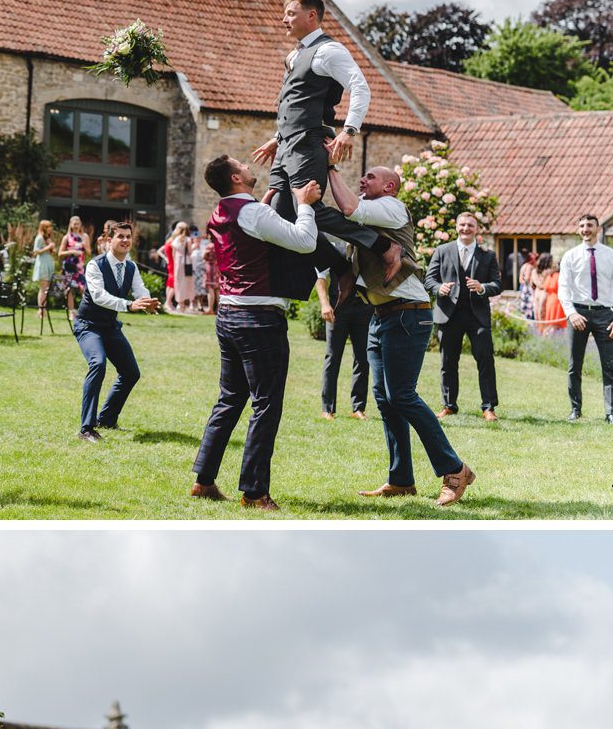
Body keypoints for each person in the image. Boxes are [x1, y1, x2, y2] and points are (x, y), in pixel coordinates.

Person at [329, 165, 475, 506]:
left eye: (370, 177)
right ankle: (401, 480)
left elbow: (349, 208)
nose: (362, 180)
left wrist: (332, 167)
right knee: (385, 399)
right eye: (361, 176)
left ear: (390, 186)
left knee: (403, 396)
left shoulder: (392, 208)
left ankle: (455, 469)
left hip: (408, 316)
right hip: (381, 317)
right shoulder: (373, 215)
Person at [189, 162, 320, 511]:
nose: (248, 165)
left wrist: (262, 202)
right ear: (235, 178)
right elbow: (305, 242)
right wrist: (305, 203)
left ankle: (203, 480)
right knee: (266, 403)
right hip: (259, 318)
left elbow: (247, 233)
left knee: (230, 398)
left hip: (229, 314)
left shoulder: (221, 211)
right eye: (242, 165)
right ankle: (254, 490)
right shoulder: (254, 213)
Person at [250, 0, 396, 298]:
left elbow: (361, 88)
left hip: (307, 143)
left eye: (291, 13)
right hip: (287, 144)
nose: (284, 20)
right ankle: (321, 275)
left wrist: (348, 130)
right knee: (279, 216)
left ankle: (383, 246)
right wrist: (277, 138)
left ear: (312, 15)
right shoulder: (293, 55)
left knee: (309, 209)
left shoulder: (329, 51)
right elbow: (297, 104)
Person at [73, 220, 160, 441]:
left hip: (110, 327)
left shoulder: (130, 266)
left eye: (128, 236)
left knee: (131, 372)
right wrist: (128, 305)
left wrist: (147, 302)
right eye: (120, 236)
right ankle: (87, 429)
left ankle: (107, 419)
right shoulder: (96, 265)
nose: (125, 240)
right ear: (109, 240)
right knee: (98, 364)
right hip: (88, 325)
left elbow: (140, 289)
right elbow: (99, 296)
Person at [430, 211, 501, 421]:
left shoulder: (487, 255)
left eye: (470, 225)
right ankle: (449, 405)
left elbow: (497, 284)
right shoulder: (442, 251)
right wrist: (439, 288)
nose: (466, 228)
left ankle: (488, 407)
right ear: (456, 227)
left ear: (476, 229)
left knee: (485, 361)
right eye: (462, 224)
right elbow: (429, 279)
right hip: (448, 315)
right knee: (448, 362)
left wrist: (482, 288)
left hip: (477, 316)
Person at [561, 211, 613, 424]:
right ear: (578, 229)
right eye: (582, 226)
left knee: (609, 366)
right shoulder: (570, 256)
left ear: (598, 229)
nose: (585, 229)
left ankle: (610, 413)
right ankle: (575, 409)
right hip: (578, 313)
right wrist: (571, 313)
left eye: (590, 225)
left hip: (605, 315)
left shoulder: (611, 256)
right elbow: (563, 289)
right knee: (574, 365)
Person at [317, 263, 372, 420]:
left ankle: (358, 408)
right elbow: (320, 276)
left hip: (364, 308)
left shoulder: (365, 244)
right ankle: (327, 409)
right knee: (332, 357)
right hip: (337, 308)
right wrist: (325, 304)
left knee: (363, 358)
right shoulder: (334, 244)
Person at [31, 218, 58, 316]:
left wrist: (52, 249)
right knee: (43, 288)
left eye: (50, 226)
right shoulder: (39, 238)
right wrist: (48, 247)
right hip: (42, 264)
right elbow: (36, 251)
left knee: (47, 289)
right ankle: (41, 309)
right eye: (47, 227)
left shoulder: (48, 238)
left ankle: (44, 309)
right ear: (43, 228)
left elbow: (51, 250)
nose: (50, 228)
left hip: (48, 263)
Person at [534, 253, 565, 332]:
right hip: (559, 304)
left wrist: (541, 307)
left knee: (550, 327)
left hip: (550, 303)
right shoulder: (561, 276)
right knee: (557, 328)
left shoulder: (552, 275)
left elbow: (545, 292)